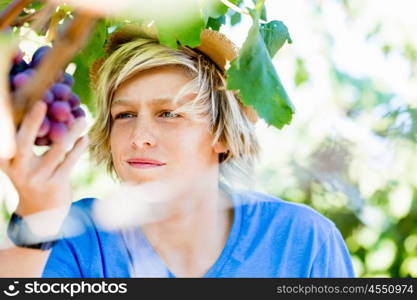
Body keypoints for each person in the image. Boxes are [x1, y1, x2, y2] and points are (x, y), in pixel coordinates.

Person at [0, 24, 355, 278]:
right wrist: (36, 215)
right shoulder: (72, 236)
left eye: (169, 114)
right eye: (124, 115)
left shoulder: (302, 240)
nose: (139, 137)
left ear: (223, 135)